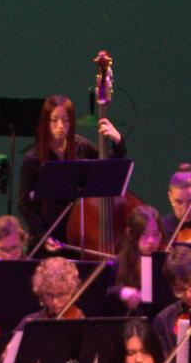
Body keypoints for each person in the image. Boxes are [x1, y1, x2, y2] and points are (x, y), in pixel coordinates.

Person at [18, 94, 124, 250]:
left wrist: (118, 141)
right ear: (46, 122)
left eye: (65, 120)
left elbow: (109, 167)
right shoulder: (33, 158)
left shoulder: (81, 145)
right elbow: (23, 204)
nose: (60, 125)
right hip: (50, 237)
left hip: (80, 233)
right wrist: (43, 236)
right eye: (54, 120)